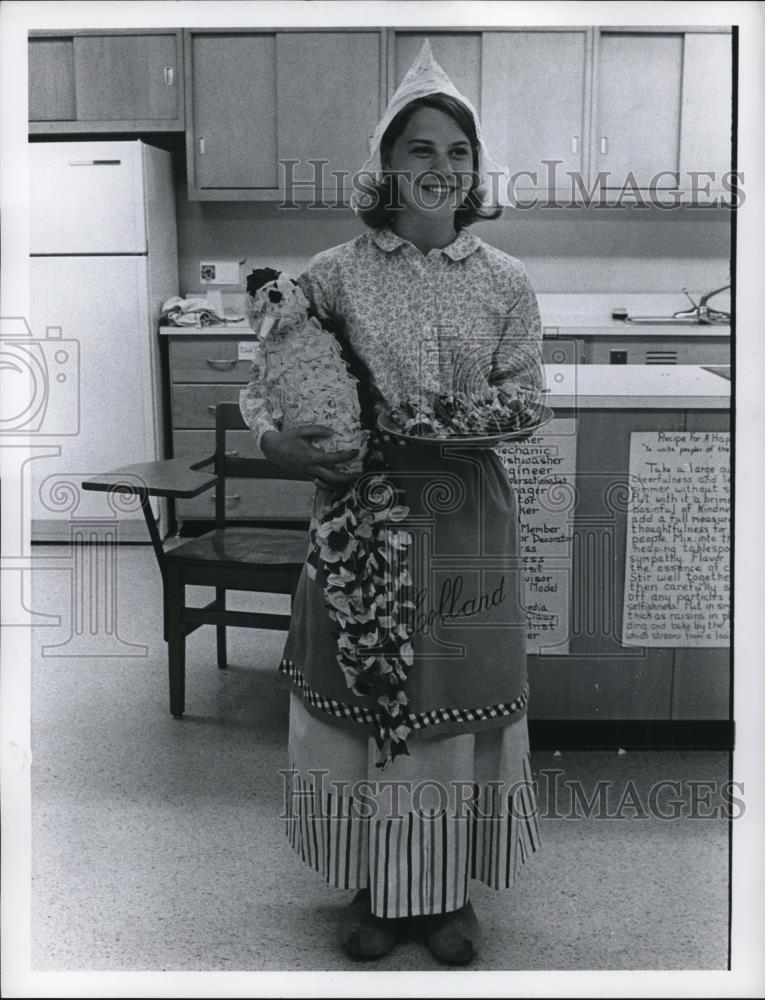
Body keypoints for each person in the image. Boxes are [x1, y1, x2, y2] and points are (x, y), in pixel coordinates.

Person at [243, 41, 543, 965]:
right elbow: (273, 378)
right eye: (420, 149)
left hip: (463, 522)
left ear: (475, 169)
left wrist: (447, 418)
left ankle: (445, 894)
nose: (440, 168)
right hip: (358, 526)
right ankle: (376, 886)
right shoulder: (332, 272)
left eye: (456, 152)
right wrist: (277, 441)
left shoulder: (504, 281)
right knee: (367, 697)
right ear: (386, 165)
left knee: (452, 696)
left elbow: (526, 395)